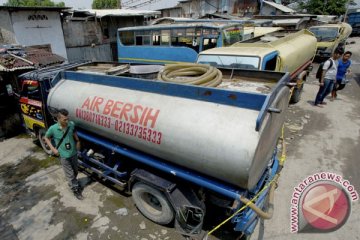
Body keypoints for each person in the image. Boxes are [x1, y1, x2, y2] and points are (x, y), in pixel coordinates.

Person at [44, 109, 83, 200]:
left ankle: (74, 183)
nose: (67, 121)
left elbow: (74, 134)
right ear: (58, 119)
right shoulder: (53, 128)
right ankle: (75, 189)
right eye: (64, 119)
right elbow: (46, 137)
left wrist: (77, 142)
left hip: (73, 153)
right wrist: (53, 149)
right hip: (64, 156)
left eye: (67, 119)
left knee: (75, 171)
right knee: (70, 174)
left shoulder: (71, 125)